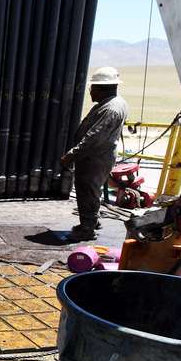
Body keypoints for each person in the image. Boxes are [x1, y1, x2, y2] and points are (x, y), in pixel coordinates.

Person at [61, 66, 128, 241]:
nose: (90, 91)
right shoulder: (109, 104)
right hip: (98, 156)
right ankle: (92, 221)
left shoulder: (110, 109)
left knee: (87, 190)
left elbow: (94, 137)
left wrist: (72, 155)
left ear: (102, 88)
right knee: (92, 189)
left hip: (95, 158)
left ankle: (86, 229)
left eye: (93, 87)